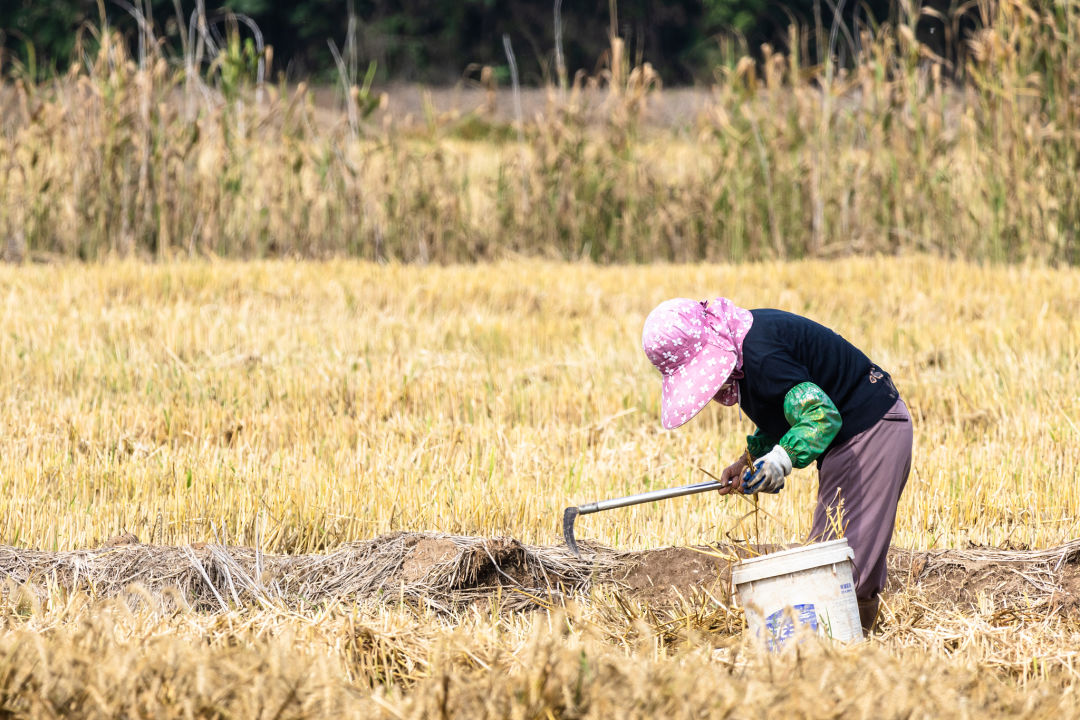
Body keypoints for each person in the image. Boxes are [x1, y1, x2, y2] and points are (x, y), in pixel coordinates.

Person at [641, 296, 913, 633]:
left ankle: (843, 652)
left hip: (870, 431)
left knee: (839, 568)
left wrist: (781, 459)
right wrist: (750, 460)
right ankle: (845, 645)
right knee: (833, 561)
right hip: (855, 437)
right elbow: (783, 410)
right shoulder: (745, 347)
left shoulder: (761, 356)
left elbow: (820, 415)